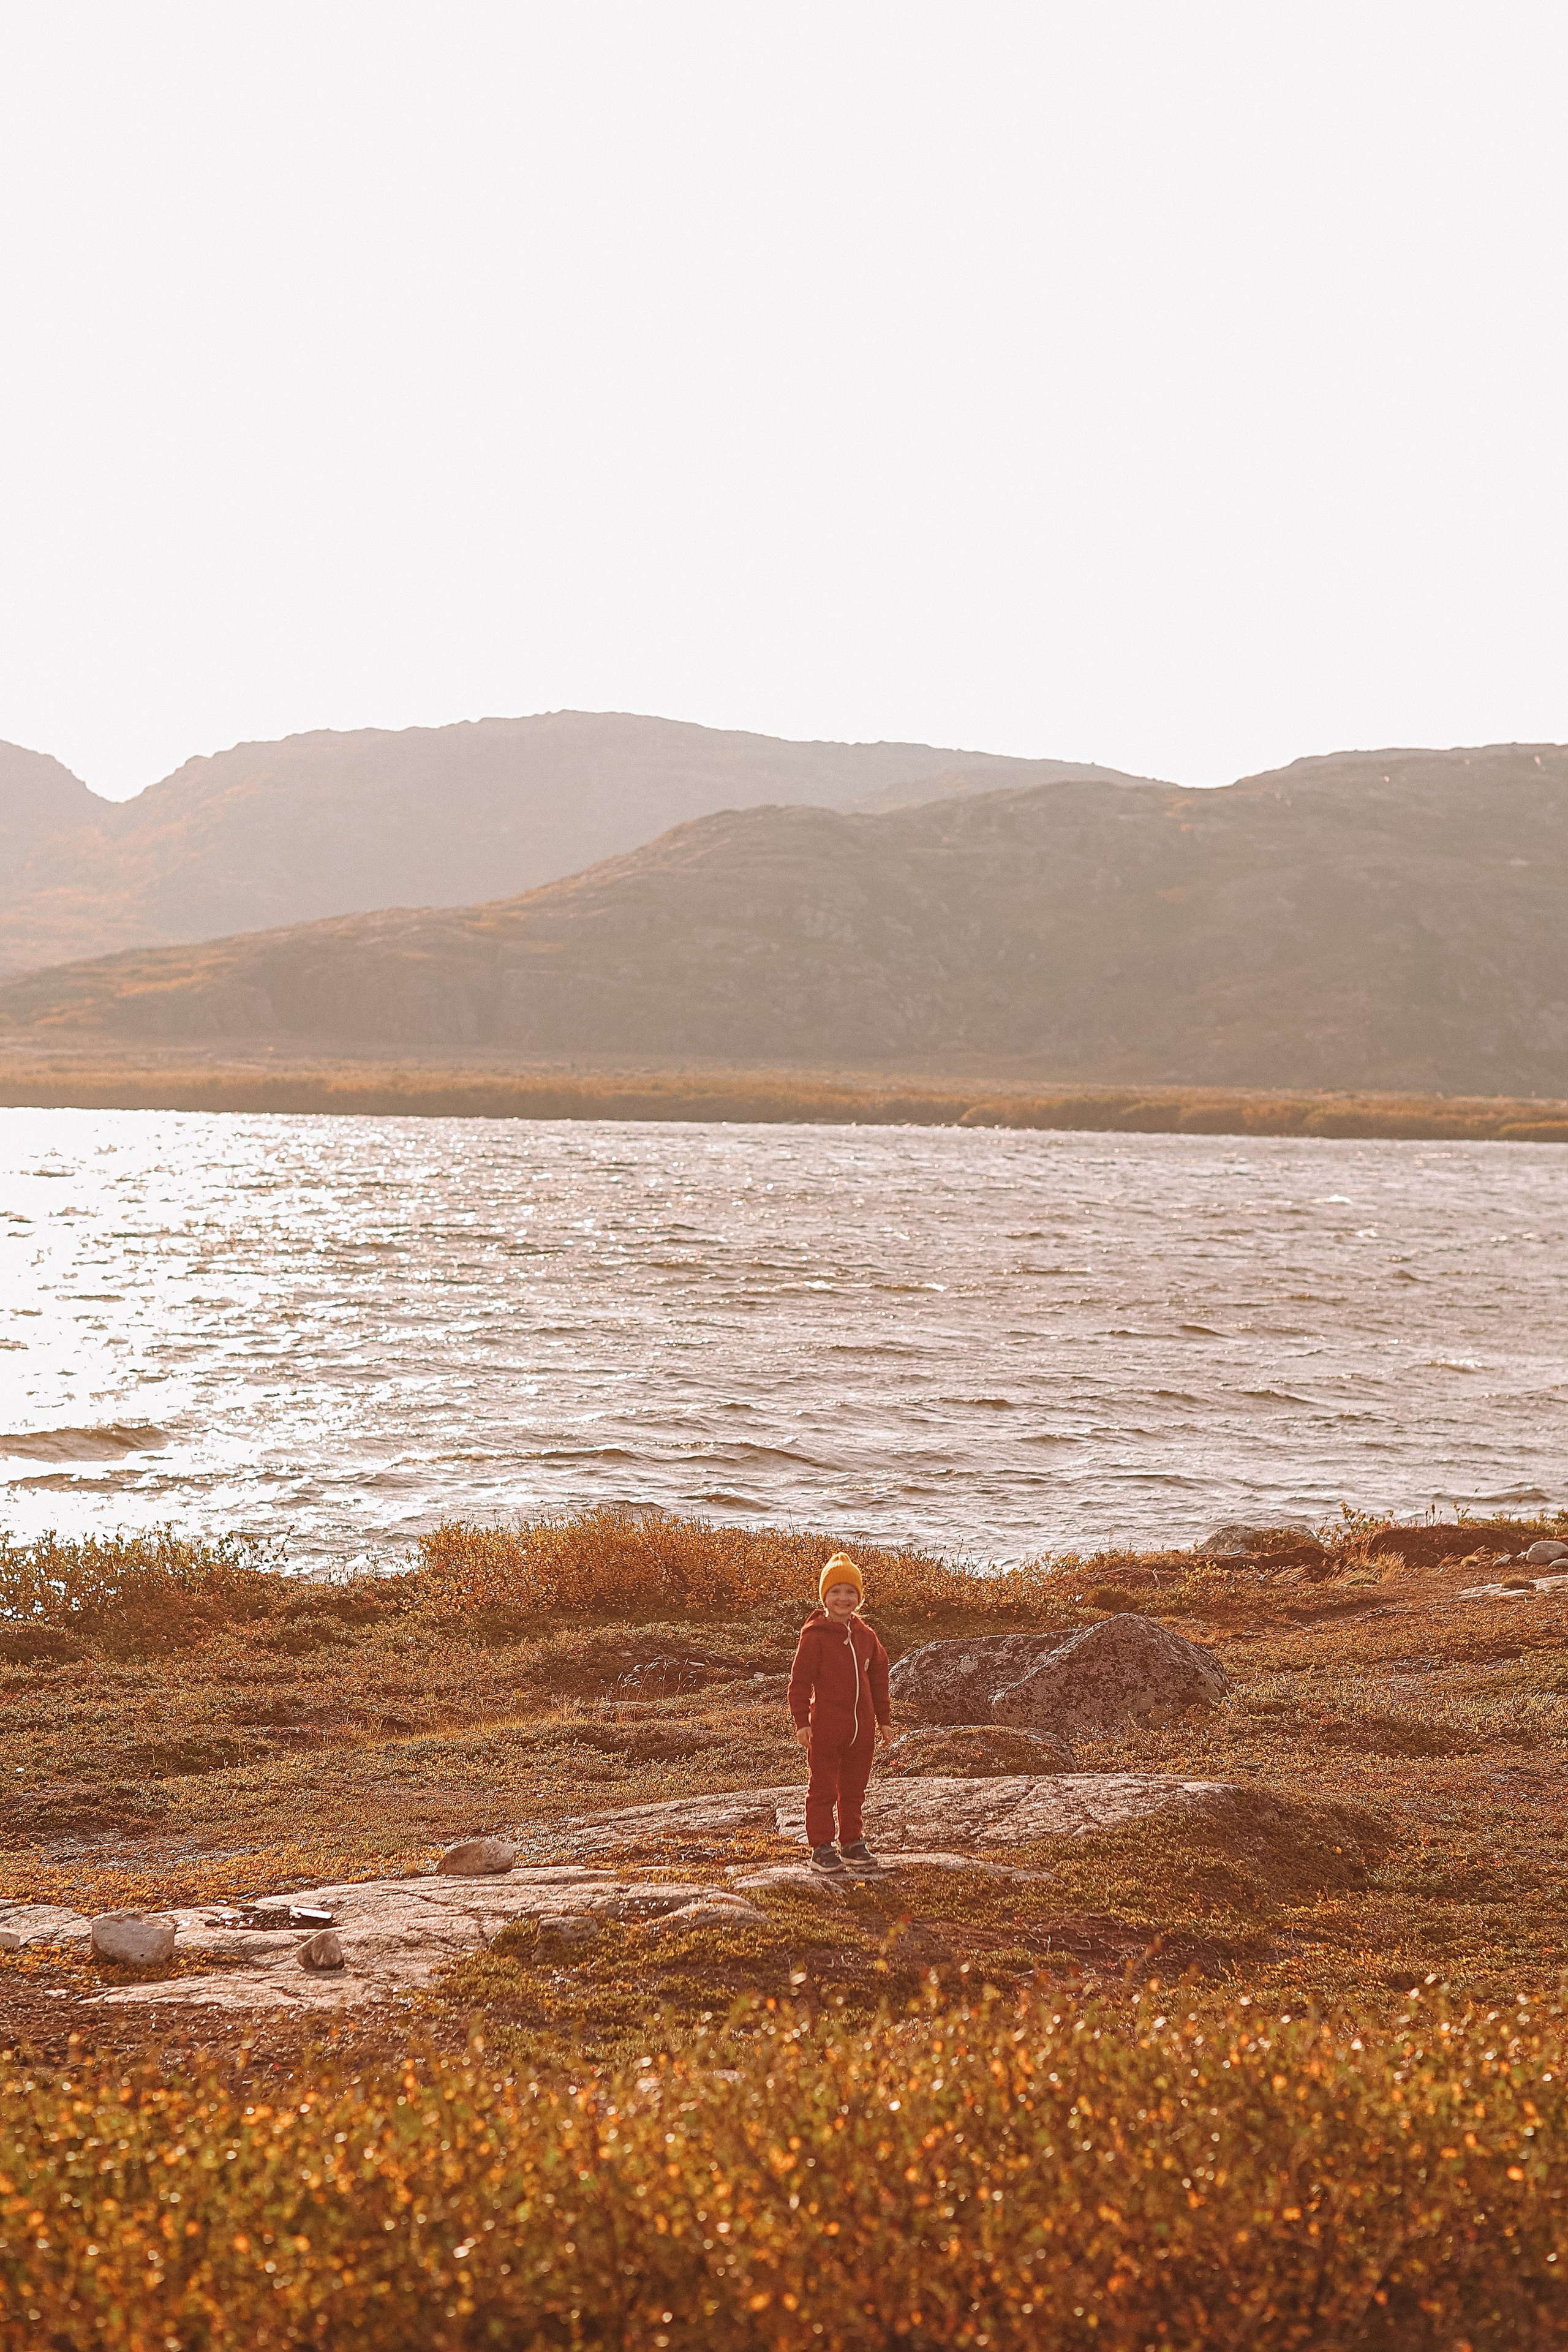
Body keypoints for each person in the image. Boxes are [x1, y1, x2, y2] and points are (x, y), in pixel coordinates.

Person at [788, 1551, 891, 1877]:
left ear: (858, 1598)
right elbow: (799, 1682)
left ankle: (852, 1842)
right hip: (827, 1728)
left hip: (862, 1732)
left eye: (850, 1592)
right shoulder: (815, 1635)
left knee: (854, 1789)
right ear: (825, 1596)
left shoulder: (867, 1636)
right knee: (823, 1789)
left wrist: (884, 1720)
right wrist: (802, 1722)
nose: (843, 1598)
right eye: (835, 1592)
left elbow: (879, 1678)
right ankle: (821, 1847)